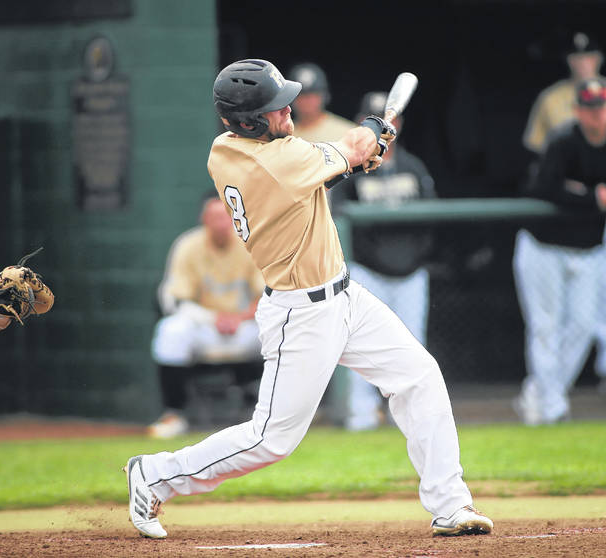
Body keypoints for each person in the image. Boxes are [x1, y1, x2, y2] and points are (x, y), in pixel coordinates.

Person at [125, 58, 493, 539]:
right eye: (276, 107)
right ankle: (154, 475)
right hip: (301, 312)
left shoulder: (229, 149)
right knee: (272, 438)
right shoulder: (275, 161)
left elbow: (316, 175)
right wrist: (373, 131)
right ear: (251, 120)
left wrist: (358, 154)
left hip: (345, 296)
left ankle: (450, 505)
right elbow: (342, 151)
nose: (288, 110)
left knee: (419, 377)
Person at [330, 91, 437, 431]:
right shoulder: (351, 170)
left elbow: (430, 220)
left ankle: (414, 418)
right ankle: (360, 416)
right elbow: (338, 217)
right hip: (367, 272)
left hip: (410, 273)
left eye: (391, 121)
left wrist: (414, 258)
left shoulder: (413, 167)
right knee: (359, 345)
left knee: (412, 346)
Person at [513, 77, 606, 425]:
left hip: (588, 248)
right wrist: (592, 197)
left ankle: (538, 393)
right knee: (545, 326)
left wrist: (583, 193)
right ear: (579, 110)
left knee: (584, 325)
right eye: (590, 108)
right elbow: (542, 188)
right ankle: (552, 409)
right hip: (544, 246)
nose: (597, 115)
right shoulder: (564, 140)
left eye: (601, 107)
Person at [148, 192, 265, 438]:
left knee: (283, 330)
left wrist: (239, 318)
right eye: (214, 217)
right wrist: (214, 319)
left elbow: (269, 295)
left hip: (245, 328)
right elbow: (176, 300)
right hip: (205, 329)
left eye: (225, 217)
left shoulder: (251, 243)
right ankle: (174, 414)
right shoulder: (187, 245)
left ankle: (272, 413)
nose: (221, 224)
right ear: (204, 219)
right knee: (171, 330)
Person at [287, 62, 354, 142]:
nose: (306, 101)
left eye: (312, 95)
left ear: (324, 96)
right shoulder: (284, 136)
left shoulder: (348, 133)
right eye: (300, 95)